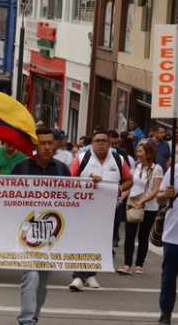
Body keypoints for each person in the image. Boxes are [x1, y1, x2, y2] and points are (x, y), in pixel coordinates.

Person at [8, 127, 71, 325]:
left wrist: (94, 185)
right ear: (35, 144)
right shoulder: (21, 168)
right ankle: (26, 320)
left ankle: (34, 316)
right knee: (31, 275)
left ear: (55, 144)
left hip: (51, 235)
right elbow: (4, 197)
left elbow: (74, 198)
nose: (46, 147)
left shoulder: (62, 169)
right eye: (42, 143)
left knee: (42, 281)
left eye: (49, 143)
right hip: (26, 233)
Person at [68, 129, 133, 291]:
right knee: (83, 240)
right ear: (92, 144)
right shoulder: (82, 158)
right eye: (97, 141)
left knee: (101, 241)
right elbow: (68, 179)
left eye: (104, 141)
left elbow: (129, 180)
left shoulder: (118, 159)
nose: (101, 143)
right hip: (84, 208)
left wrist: (118, 189)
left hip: (109, 208)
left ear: (110, 144)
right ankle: (78, 276)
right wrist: (87, 182)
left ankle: (90, 275)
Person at [117, 142, 162, 275]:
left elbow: (155, 189)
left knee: (143, 236)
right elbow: (131, 185)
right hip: (133, 205)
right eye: (137, 151)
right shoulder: (136, 167)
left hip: (149, 207)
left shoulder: (156, 168)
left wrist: (143, 201)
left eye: (140, 151)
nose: (138, 154)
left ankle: (139, 264)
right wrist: (121, 197)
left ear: (148, 153)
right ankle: (127, 264)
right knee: (129, 235)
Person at [157, 161, 178, 325]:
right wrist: (166, 195)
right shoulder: (174, 170)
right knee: (168, 279)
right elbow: (159, 198)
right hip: (173, 236)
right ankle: (165, 313)